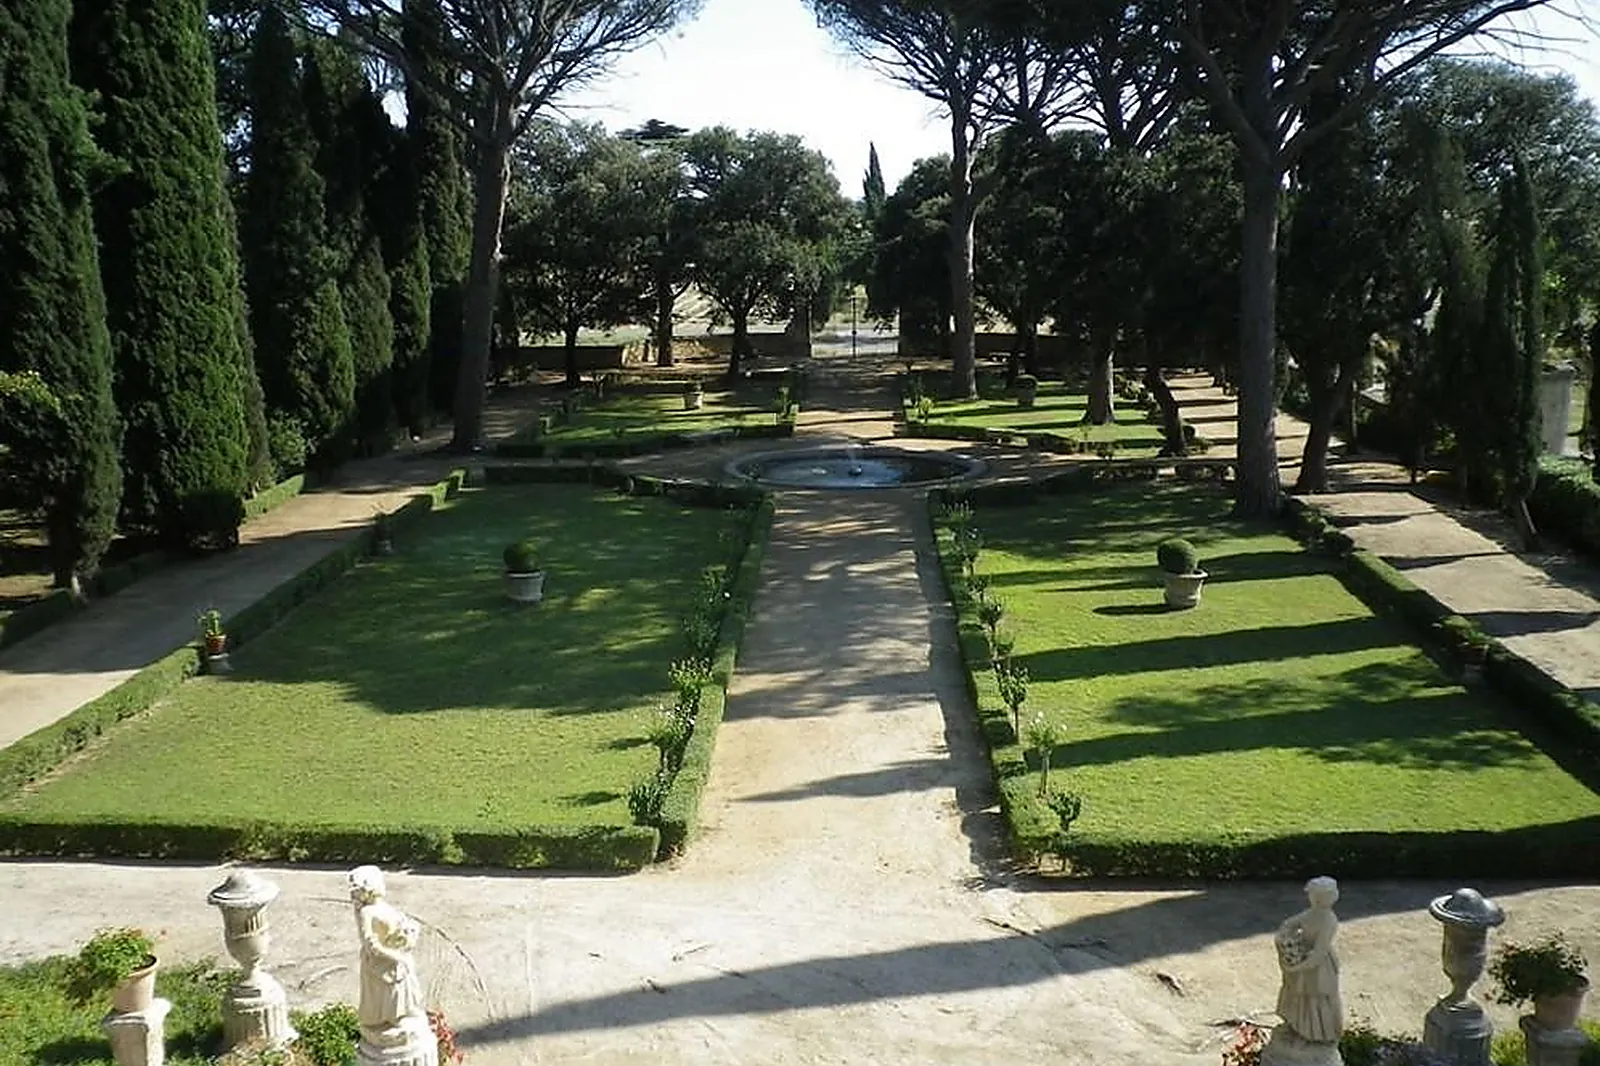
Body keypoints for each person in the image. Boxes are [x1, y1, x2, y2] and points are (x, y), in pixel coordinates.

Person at [349, 865, 428, 1048]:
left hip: (398, 956)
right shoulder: (366, 913)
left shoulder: (381, 905)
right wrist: (394, 956)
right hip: (382, 963)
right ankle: (391, 1019)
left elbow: (396, 922)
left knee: (404, 990)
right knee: (389, 994)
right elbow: (370, 944)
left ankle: (403, 1014)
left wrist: (410, 930)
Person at [1273, 876, 1344, 1044]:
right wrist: (1284, 935)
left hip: (1318, 966)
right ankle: (1296, 1026)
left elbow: (1319, 953)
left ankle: (1315, 1034)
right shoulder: (1312, 913)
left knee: (1315, 998)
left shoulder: (1329, 921)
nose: (1310, 897)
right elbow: (1290, 923)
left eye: (1313, 895)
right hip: (1302, 956)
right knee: (1297, 993)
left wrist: (1296, 968)